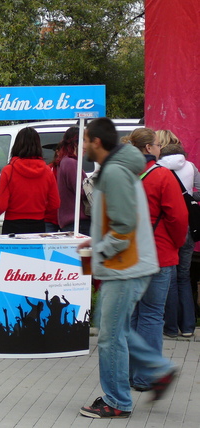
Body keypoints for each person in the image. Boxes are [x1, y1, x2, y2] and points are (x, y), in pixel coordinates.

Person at [78, 118, 177, 419]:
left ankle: (117, 402)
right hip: (126, 265)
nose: (81, 146)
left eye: (84, 140)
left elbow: (123, 227)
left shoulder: (116, 173)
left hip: (125, 266)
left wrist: (98, 250)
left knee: (109, 336)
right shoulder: (116, 168)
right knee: (116, 329)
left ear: (96, 142)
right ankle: (159, 371)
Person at [121, 128, 187, 391]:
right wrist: (176, 243)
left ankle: (128, 374)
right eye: (158, 145)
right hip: (159, 254)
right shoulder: (162, 176)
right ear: (148, 148)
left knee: (133, 316)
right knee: (151, 315)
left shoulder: (123, 175)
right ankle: (147, 377)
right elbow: (178, 218)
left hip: (128, 254)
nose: (160, 149)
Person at [158, 142, 198, 338]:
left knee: (170, 279)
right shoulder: (191, 167)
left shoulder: (158, 169)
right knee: (184, 277)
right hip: (189, 227)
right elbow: (198, 191)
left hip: (168, 229)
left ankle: (171, 327)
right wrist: (188, 195)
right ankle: (189, 327)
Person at [0, 127, 60, 234]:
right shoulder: (47, 171)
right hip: (38, 225)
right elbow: (55, 203)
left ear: (16, 145)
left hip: (12, 226)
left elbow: (1, 206)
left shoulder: (9, 170)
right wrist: (40, 211)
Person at [51, 126, 91, 235]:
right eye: (84, 141)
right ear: (74, 143)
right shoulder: (70, 163)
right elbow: (81, 192)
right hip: (77, 221)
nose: (87, 146)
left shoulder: (67, 162)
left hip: (74, 221)